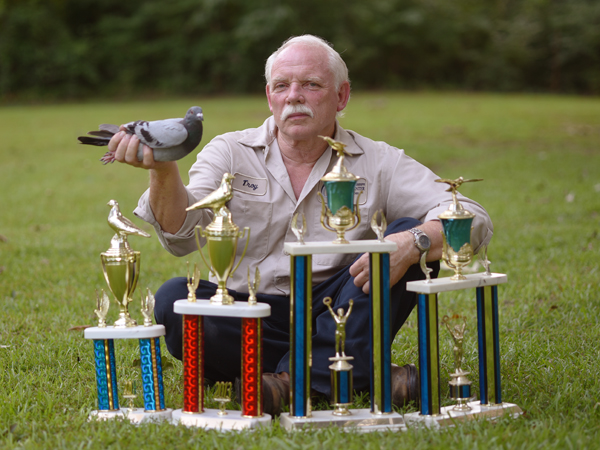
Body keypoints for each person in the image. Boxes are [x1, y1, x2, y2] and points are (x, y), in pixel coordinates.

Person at [108, 34, 493, 415]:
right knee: (174, 300)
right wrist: (162, 169)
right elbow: (180, 234)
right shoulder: (230, 151)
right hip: (252, 314)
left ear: (341, 96)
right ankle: (353, 371)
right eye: (282, 86)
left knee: (407, 233)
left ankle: (290, 383)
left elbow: (472, 217)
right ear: (269, 96)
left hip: (341, 307)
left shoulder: (379, 161)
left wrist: (415, 243)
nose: (294, 95)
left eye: (311, 84)